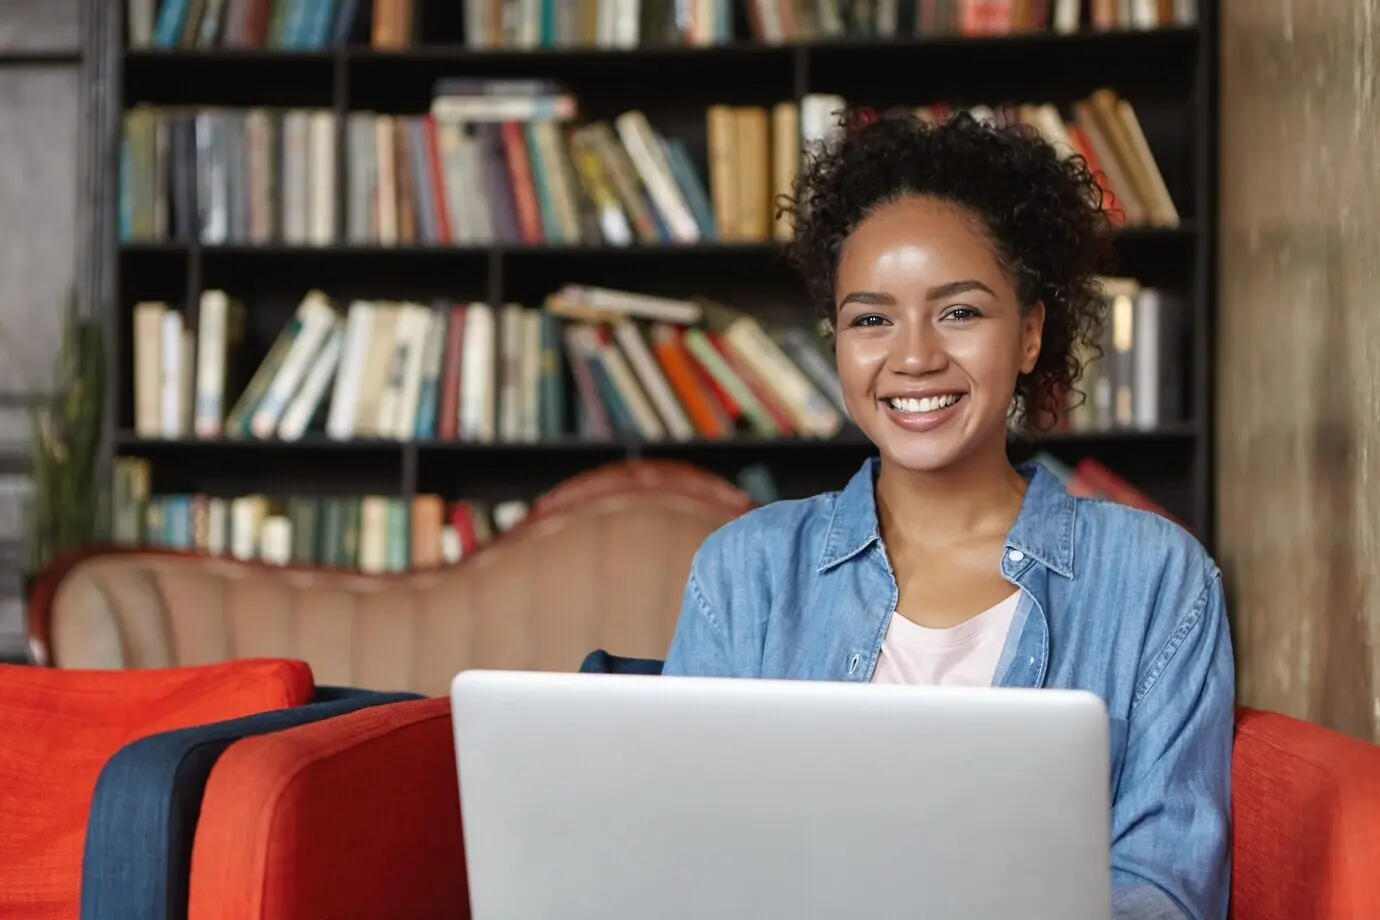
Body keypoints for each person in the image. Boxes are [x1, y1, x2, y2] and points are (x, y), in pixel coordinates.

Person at [662, 108, 1234, 920]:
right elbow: (681, 855)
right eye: (870, 319)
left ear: (1031, 334)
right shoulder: (743, 571)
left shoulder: (1155, 578)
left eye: (959, 311)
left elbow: (1165, 888)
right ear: (838, 345)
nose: (915, 355)